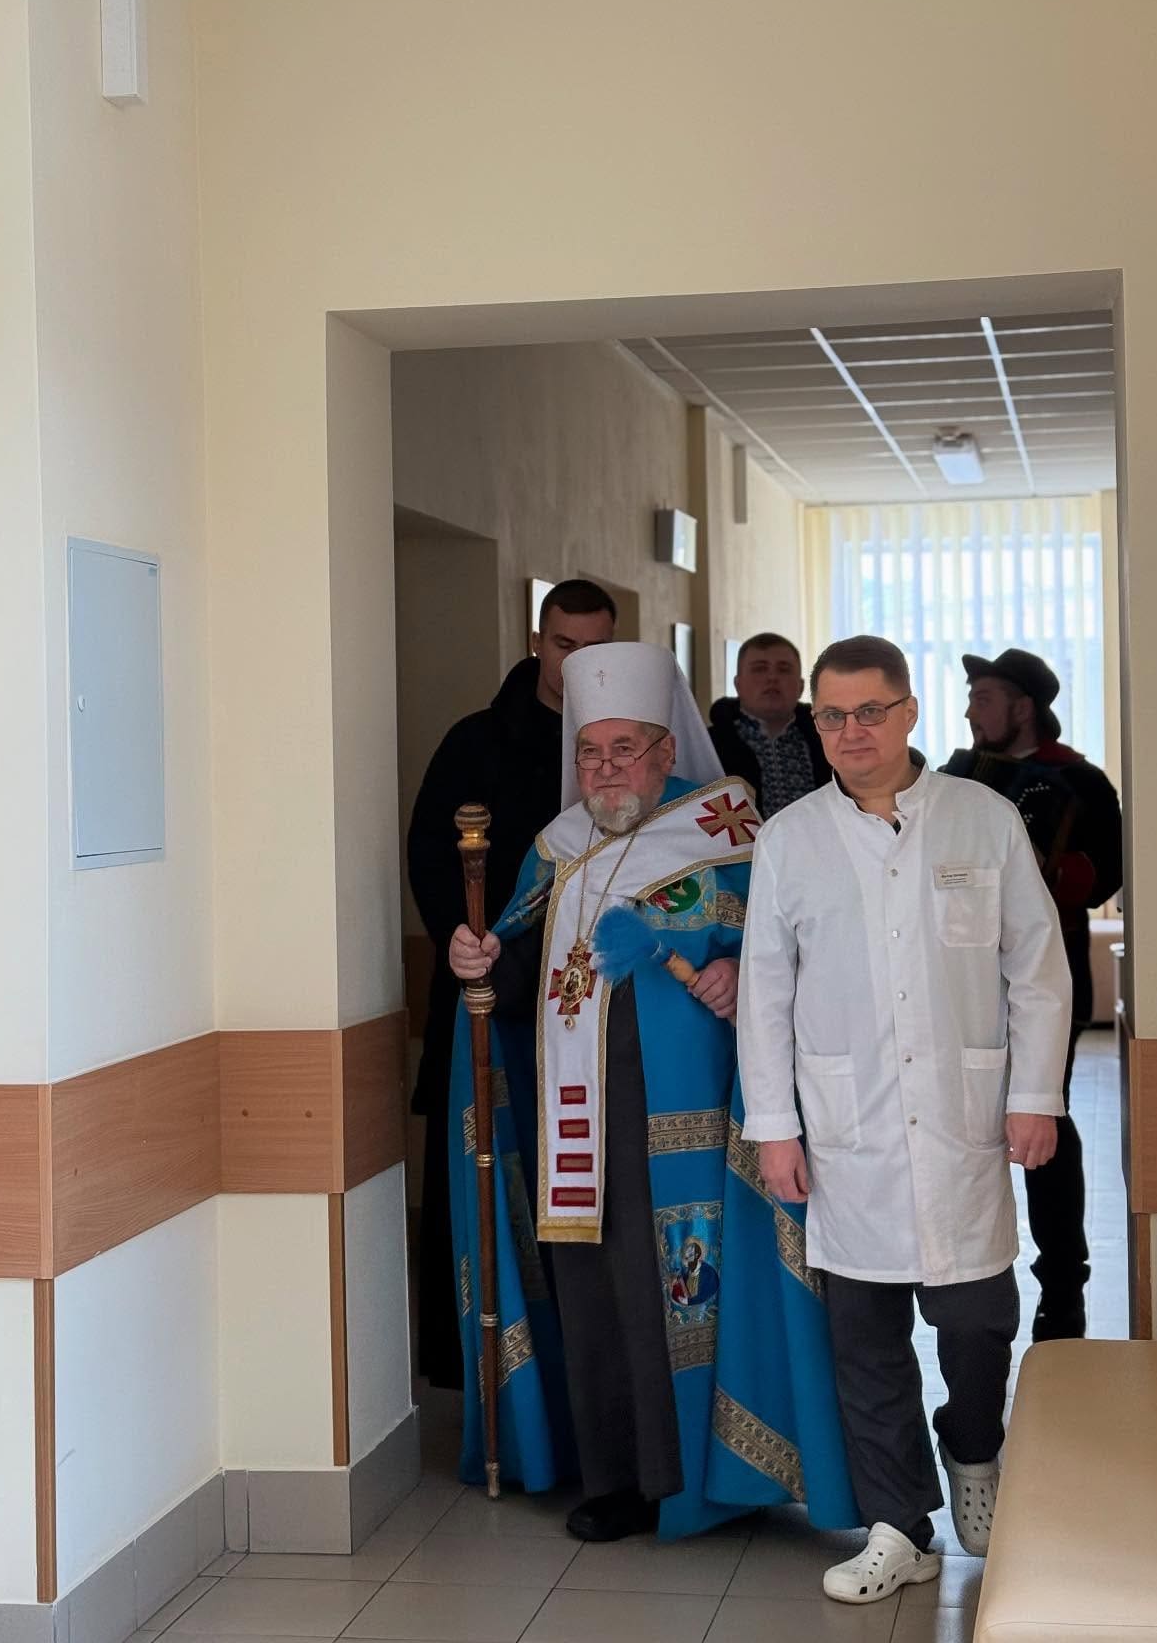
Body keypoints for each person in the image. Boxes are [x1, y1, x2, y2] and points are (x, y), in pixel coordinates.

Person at [446, 641, 857, 1544]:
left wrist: (739, 971)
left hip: (693, 1114)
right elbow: (521, 973)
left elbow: (802, 947)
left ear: (666, 752)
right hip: (575, 1113)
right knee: (594, 1288)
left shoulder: (729, 832)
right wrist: (481, 961)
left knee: (679, 1285)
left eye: (625, 750)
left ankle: (711, 1476)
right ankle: (620, 1477)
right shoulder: (558, 849)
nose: (605, 769)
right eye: (591, 752)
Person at [737, 635, 1071, 1603]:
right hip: (846, 1128)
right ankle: (899, 1527)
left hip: (964, 1118)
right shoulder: (790, 838)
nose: (852, 733)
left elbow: (1036, 968)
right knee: (866, 1339)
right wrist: (774, 1126)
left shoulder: (981, 818)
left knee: (977, 1320)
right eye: (832, 716)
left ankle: (973, 1444)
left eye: (870, 712)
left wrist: (1034, 1096)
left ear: (909, 712)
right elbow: (765, 991)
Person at [406, 579, 616, 1388]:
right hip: (492, 986)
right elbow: (433, 855)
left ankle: (588, 1371)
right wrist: (455, 935)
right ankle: (485, 1376)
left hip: (594, 1004)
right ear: (537, 642)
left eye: (595, 647)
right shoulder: (477, 741)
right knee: (489, 1175)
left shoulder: (625, 743)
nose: (577, 662)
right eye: (564, 645)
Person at [943, 649, 1123, 1341]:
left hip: (1049, 974)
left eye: (984, 698)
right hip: (961, 979)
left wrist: (1042, 868)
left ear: (1023, 706)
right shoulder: (956, 777)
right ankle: (964, 1274)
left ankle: (1063, 1286)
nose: (971, 711)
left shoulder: (1080, 781)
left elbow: (1104, 878)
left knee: (1046, 1117)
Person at [709, 633, 831, 815]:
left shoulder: (829, 740)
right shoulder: (709, 745)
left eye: (783, 669)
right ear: (738, 684)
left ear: (800, 687)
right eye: (760, 669)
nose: (772, 677)